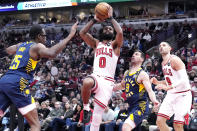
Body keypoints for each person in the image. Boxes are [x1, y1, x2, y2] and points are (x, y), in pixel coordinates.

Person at [0, 21, 78, 131]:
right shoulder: (37, 46)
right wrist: (70, 35)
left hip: (4, 80)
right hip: (18, 82)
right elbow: (52, 53)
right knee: (36, 125)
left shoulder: (20, 45)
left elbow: (7, 51)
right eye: (44, 36)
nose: (46, 38)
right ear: (38, 36)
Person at [79, 5, 123, 131]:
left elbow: (119, 32)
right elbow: (82, 33)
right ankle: (86, 107)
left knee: (97, 116)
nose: (109, 30)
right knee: (86, 81)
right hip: (96, 76)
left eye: (110, 29)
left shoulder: (115, 45)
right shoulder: (96, 44)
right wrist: (94, 20)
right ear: (102, 32)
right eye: (106, 29)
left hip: (108, 82)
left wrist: (111, 18)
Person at [114, 50, 159, 131]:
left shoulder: (142, 74)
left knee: (125, 127)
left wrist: (155, 101)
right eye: (133, 54)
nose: (133, 55)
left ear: (142, 59)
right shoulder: (127, 73)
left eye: (136, 54)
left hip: (140, 106)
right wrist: (110, 87)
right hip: (131, 107)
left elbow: (150, 91)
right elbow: (122, 85)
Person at [151, 42, 192, 131]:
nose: (161, 47)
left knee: (177, 125)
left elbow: (184, 79)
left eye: (164, 45)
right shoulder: (163, 63)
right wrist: (158, 82)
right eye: (160, 46)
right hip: (171, 95)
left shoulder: (174, 60)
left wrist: (169, 87)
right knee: (159, 121)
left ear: (170, 48)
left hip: (183, 95)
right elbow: (170, 80)